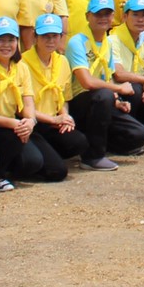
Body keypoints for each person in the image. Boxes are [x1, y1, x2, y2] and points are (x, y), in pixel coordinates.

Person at [66, 0, 144, 164]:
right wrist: (118, 90)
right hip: (79, 101)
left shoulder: (107, 43)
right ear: (87, 16)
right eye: (98, 14)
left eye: (107, 14)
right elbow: (87, 82)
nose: (103, 18)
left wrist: (117, 101)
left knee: (140, 134)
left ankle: (105, 144)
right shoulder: (77, 42)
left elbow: (107, 76)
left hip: (100, 100)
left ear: (113, 17)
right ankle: (93, 156)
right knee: (104, 94)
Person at [21, 12, 90, 179]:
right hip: (33, 123)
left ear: (60, 37)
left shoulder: (62, 61)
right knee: (57, 172)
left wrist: (65, 116)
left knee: (79, 141)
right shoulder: (22, 63)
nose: (50, 41)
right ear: (35, 37)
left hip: (53, 122)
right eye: (45, 36)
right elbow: (21, 106)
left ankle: (48, 154)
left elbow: (64, 98)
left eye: (54, 36)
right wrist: (54, 120)